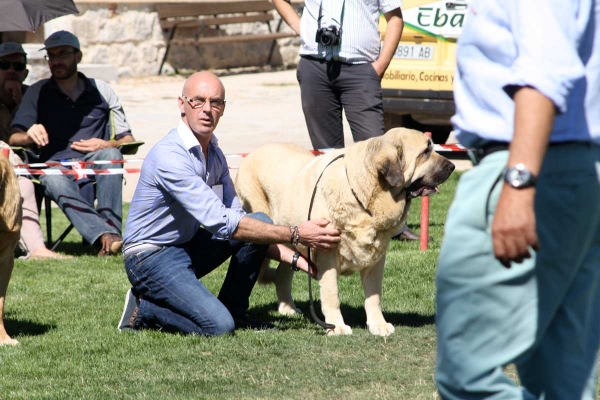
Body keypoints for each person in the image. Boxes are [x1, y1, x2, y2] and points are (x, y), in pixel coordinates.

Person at [435, 1, 600, 399]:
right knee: (561, 382)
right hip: (569, 171)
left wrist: (519, 182)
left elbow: (545, 69)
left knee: (465, 379)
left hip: (527, 167)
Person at [117, 71, 341, 335]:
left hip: (185, 246)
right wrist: (296, 234)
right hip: (149, 256)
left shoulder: (215, 155)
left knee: (258, 220)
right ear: (182, 104)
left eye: (216, 102)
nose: (207, 110)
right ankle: (144, 308)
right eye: (197, 101)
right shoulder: (170, 156)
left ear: (223, 109)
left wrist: (301, 262)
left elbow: (241, 221)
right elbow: (222, 223)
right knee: (219, 327)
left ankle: (236, 311)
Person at [273, 0, 421, 241]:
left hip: (361, 70)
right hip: (315, 67)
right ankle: (334, 219)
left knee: (378, 150)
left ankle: (395, 225)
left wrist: (379, 68)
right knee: (327, 154)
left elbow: (395, 18)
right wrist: (305, 30)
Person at [9, 31, 136, 256]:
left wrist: (107, 143)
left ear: (78, 56)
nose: (56, 61)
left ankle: (108, 237)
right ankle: (107, 238)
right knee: (52, 177)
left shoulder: (102, 90)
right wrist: (29, 135)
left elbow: (129, 141)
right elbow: (14, 138)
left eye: (63, 54)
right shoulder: (38, 91)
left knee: (111, 155)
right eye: (51, 55)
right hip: (54, 165)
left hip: (94, 160)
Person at [0, 42, 61, 259]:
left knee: (21, 176)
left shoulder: (35, 97)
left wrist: (21, 107)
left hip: (24, 166)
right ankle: (34, 247)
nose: (11, 70)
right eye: (3, 64)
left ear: (25, 72)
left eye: (17, 66)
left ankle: (35, 248)